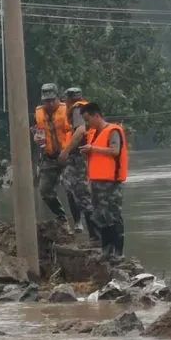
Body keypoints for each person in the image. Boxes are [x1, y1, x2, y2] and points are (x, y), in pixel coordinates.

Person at [79, 103, 129, 260]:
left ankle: (118, 252)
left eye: (88, 119)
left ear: (96, 115)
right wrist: (87, 152)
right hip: (96, 182)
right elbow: (95, 156)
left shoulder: (113, 130)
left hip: (111, 183)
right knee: (100, 216)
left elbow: (115, 151)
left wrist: (92, 149)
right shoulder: (93, 133)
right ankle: (106, 250)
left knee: (113, 216)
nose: (87, 124)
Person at [60, 87, 100, 242]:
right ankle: (85, 228)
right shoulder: (83, 109)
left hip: (80, 158)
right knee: (71, 187)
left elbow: (80, 131)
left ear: (68, 100)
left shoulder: (77, 109)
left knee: (83, 197)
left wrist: (66, 151)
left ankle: (95, 237)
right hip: (81, 157)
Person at [32, 83, 71, 224]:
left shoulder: (68, 110)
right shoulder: (38, 113)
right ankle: (62, 217)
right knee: (45, 191)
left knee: (72, 188)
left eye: (51, 100)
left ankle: (80, 221)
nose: (48, 104)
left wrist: (67, 151)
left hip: (67, 155)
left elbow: (76, 132)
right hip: (49, 156)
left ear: (58, 99)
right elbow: (35, 131)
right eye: (45, 101)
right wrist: (36, 137)